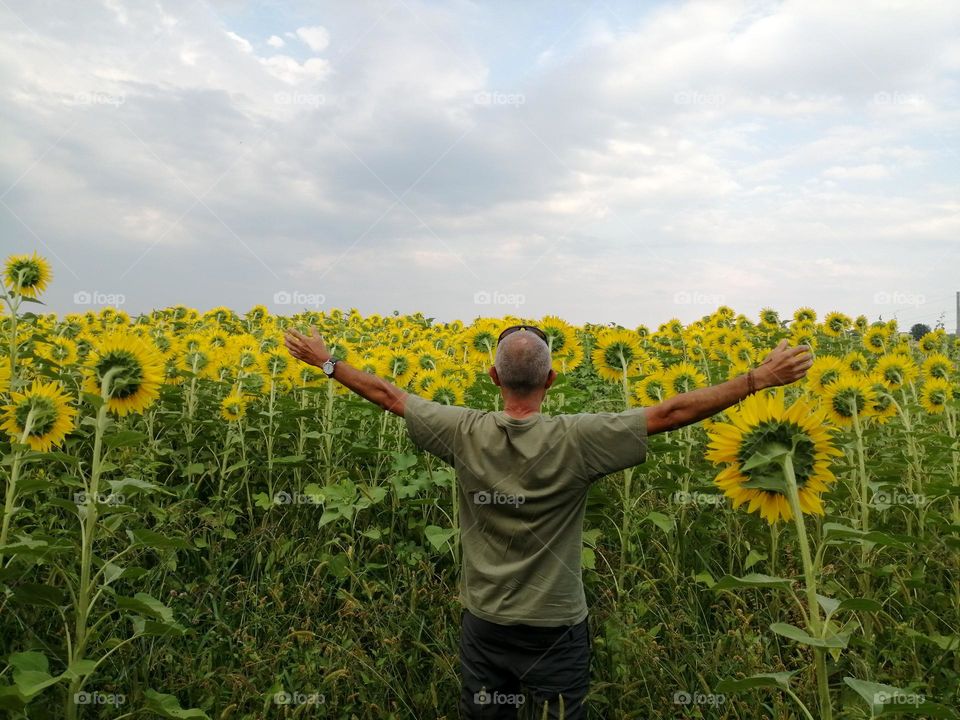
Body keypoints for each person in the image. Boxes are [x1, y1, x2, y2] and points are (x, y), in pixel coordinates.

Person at [284, 324, 813, 719]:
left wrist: (327, 362)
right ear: (552, 380)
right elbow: (671, 413)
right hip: (556, 623)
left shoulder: (462, 431)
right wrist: (756, 379)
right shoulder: (577, 439)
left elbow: (389, 396)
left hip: (485, 618)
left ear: (493, 377)